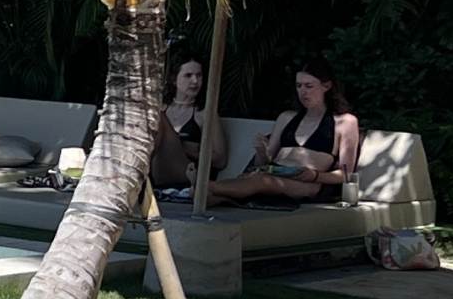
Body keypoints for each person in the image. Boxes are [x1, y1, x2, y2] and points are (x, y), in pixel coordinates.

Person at [207, 62, 361, 207]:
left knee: (262, 181)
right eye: (299, 86)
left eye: (309, 86)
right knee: (217, 194)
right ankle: (203, 190)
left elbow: (345, 175)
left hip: (307, 183)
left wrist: (314, 176)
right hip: (274, 173)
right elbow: (263, 163)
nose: (303, 92)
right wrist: (261, 151)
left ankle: (204, 185)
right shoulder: (287, 118)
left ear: (326, 86)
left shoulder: (345, 122)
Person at [152, 58, 208, 190]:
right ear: (174, 79)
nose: (195, 81)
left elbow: (221, 159)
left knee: (158, 116)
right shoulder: (163, 107)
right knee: (154, 112)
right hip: (157, 168)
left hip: (187, 172)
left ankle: (135, 170)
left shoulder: (204, 113)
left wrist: (188, 149)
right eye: (188, 75)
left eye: (199, 76)